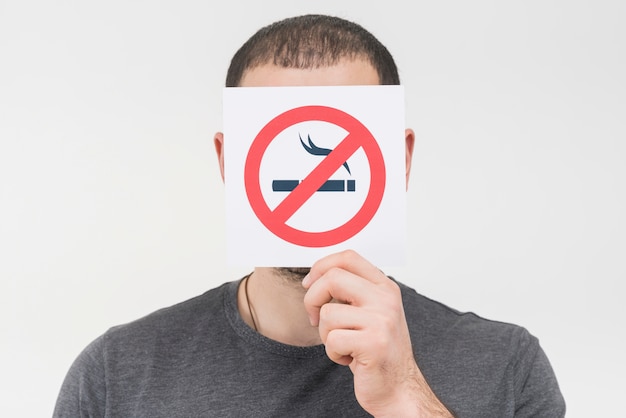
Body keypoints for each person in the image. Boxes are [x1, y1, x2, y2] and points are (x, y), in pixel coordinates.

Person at [53, 14, 565, 417]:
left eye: (333, 154)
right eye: (280, 152)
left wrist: (407, 401)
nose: (309, 180)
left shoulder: (507, 367)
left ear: (399, 160)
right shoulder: (115, 374)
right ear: (230, 162)